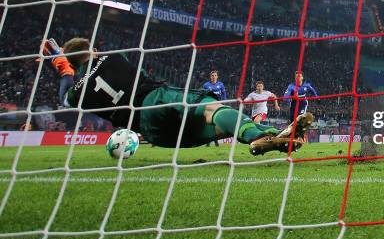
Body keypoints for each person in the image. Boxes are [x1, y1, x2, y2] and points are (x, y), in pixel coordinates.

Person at [43, 38, 313, 155]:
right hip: (157, 98)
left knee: (218, 131)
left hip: (150, 131)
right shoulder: (111, 57)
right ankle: (260, 135)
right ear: (91, 48)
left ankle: (275, 135)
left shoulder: (78, 93)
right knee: (213, 111)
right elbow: (103, 62)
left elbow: (65, 97)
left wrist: (63, 66)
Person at [281, 71, 317, 139]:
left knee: (300, 118)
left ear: (302, 77)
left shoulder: (306, 85)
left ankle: (301, 134)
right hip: (294, 104)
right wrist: (286, 99)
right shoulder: (291, 86)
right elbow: (287, 94)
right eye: (296, 77)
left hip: (303, 103)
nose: (298, 78)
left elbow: (313, 90)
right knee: (292, 121)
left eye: (299, 76)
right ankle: (293, 135)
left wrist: (317, 98)